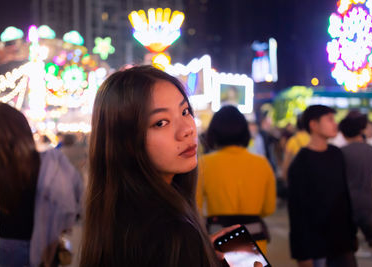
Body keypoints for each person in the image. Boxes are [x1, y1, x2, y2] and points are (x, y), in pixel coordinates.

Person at [79, 66, 263, 267]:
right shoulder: (173, 232)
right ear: (126, 142)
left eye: (185, 111)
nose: (187, 130)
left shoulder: (118, 217)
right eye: (161, 122)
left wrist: (201, 255)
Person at [0, 103, 83, 267]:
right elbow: (70, 207)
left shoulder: (8, 168)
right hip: (43, 246)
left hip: (13, 248)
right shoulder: (48, 164)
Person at [196, 105, 276, 253]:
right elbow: (269, 207)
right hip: (254, 239)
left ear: (214, 132)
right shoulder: (262, 163)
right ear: (244, 132)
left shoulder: (203, 164)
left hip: (219, 238)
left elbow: (196, 207)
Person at [287, 105, 357, 267]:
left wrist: (351, 235)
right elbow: (297, 212)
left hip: (342, 242)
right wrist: (302, 254)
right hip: (316, 246)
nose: (335, 124)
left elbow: (344, 197)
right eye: (330, 120)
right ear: (313, 125)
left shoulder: (336, 154)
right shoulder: (301, 163)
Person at [339, 115, 372, 267]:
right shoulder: (371, 151)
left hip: (347, 203)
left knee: (348, 241)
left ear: (343, 133)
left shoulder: (341, 152)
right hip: (366, 200)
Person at [281, 114, 310, 181]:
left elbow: (286, 163)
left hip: (298, 177)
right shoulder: (313, 139)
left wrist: (285, 178)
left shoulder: (292, 141)